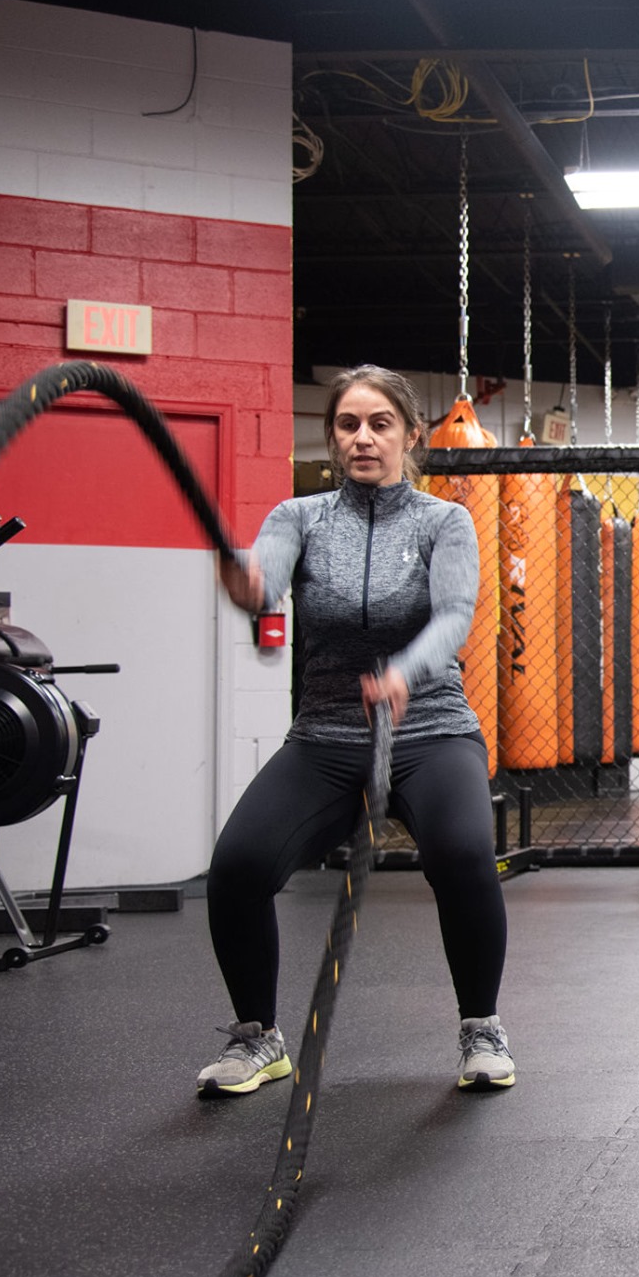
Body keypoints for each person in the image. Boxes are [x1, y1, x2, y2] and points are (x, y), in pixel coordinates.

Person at [197, 364, 515, 1096]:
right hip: (327, 735)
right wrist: (247, 584)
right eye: (348, 424)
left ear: (409, 435)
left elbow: (454, 616)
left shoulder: (445, 522)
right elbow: (265, 581)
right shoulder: (297, 518)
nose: (363, 437)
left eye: (380, 423)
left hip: (430, 729)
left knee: (464, 852)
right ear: (333, 436)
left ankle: (481, 1027)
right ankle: (258, 1036)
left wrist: (405, 671)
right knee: (239, 866)